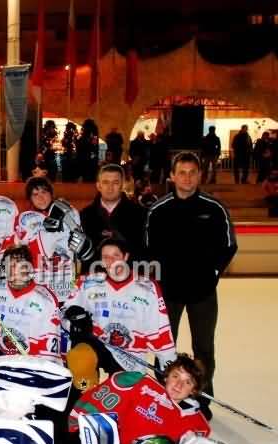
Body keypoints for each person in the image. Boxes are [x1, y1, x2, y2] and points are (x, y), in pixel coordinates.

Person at [144, 151, 237, 419]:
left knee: (204, 349)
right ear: (172, 176)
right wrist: (155, 281)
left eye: (192, 172)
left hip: (202, 292)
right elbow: (148, 250)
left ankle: (201, 399)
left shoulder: (214, 208)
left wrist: (214, 272)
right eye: (182, 173)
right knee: (165, 347)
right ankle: (165, 397)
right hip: (168, 293)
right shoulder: (158, 210)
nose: (187, 178)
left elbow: (229, 245)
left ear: (200, 175)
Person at [68, 354, 210, 444]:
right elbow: (90, 404)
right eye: (175, 376)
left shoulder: (195, 423)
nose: (179, 385)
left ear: (193, 390)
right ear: (166, 376)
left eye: (187, 382)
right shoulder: (139, 384)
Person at [64, 237, 176, 380]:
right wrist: (74, 320)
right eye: (105, 257)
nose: (110, 261)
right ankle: (85, 390)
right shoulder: (88, 282)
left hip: (129, 357)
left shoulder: (147, 287)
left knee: (126, 389)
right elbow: (64, 312)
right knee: (80, 360)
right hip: (97, 344)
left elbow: (161, 331)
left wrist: (171, 367)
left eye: (115, 256)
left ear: (125, 257)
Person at [0, 245, 60, 360]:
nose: (13, 270)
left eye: (19, 265)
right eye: (9, 265)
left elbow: (49, 354)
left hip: (31, 361)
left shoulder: (45, 300)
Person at [14, 176, 89, 304]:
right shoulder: (25, 218)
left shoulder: (70, 212)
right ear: (30, 198)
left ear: (51, 193)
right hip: (40, 279)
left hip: (66, 276)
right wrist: (55, 230)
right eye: (35, 194)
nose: (40, 197)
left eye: (44, 192)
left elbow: (78, 245)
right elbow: (35, 249)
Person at [79, 163, 145, 270]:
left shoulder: (140, 214)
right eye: (105, 182)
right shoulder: (85, 215)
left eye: (115, 183)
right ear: (98, 186)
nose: (110, 188)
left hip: (129, 275)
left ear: (122, 185)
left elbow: (143, 252)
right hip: (94, 275)